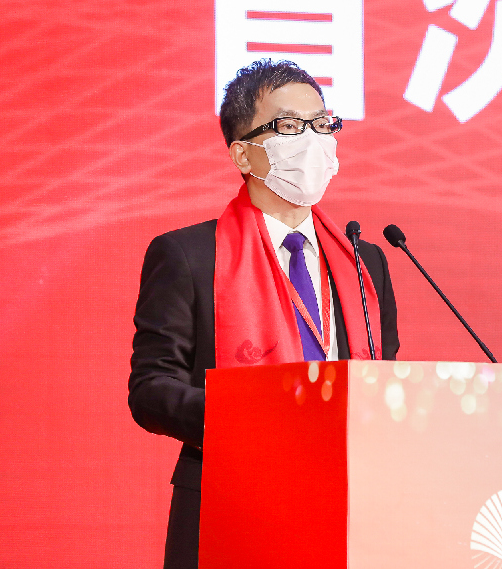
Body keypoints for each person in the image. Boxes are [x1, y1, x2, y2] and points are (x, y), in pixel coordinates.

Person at [127, 59, 399, 569]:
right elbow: (150, 389)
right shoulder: (189, 256)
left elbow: (385, 380)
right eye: (290, 126)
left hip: (350, 504)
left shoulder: (365, 261)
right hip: (230, 499)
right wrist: (252, 420)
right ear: (243, 153)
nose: (313, 140)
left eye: (323, 124)